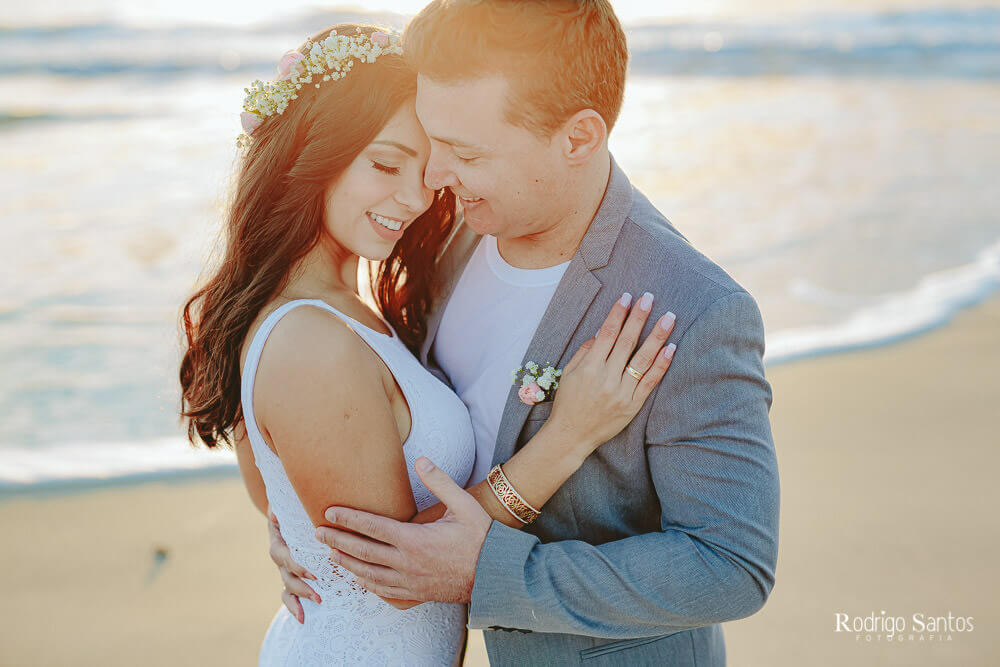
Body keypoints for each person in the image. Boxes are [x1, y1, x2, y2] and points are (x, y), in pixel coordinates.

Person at [269, 2, 781, 665]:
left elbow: (732, 565)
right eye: (434, 139)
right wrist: (297, 526)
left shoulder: (694, 309)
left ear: (578, 137)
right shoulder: (446, 230)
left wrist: (491, 575)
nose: (433, 177)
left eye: (466, 152)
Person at [179, 22, 678, 666]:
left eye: (430, 168)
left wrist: (298, 539)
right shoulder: (310, 341)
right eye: (385, 164)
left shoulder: (335, 309)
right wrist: (570, 435)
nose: (415, 197)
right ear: (310, 152)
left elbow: (268, 493)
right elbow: (401, 572)